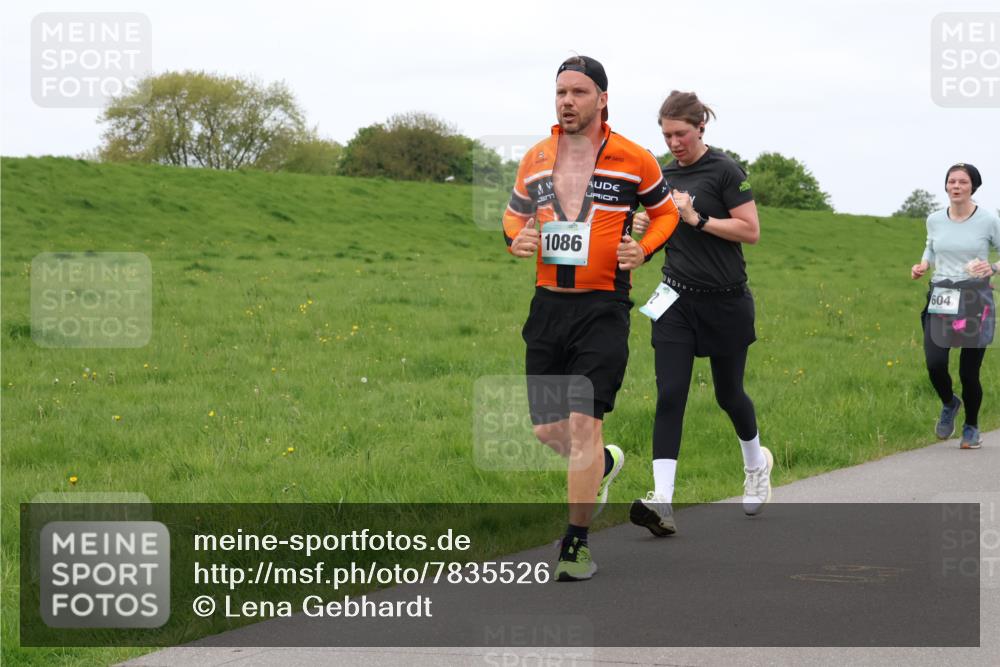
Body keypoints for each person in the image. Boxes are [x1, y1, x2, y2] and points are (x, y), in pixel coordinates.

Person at [502, 56, 680, 580]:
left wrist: (643, 249)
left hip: (603, 308)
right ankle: (602, 465)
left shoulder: (633, 158)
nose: (567, 101)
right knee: (548, 430)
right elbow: (513, 215)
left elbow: (666, 213)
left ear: (602, 99)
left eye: (578, 92)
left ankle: (575, 547)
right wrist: (516, 238)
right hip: (547, 307)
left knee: (584, 423)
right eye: (561, 92)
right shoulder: (536, 158)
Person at [629, 90, 769, 536]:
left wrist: (698, 219)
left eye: (681, 134)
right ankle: (663, 502)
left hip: (726, 301)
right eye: (667, 135)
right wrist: (643, 229)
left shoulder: (726, 170)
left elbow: (750, 231)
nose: (674, 143)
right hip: (675, 300)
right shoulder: (661, 176)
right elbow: (655, 240)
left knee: (730, 395)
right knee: (671, 394)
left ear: (700, 128)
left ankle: (756, 466)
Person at [911, 163, 1000, 450]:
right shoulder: (935, 219)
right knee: (935, 363)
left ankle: (971, 427)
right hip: (942, 294)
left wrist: (993, 267)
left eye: (962, 181)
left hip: (975, 298)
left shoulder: (988, 220)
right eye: (952, 181)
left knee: (968, 372)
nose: (956, 186)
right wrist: (924, 263)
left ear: (973, 187)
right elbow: (931, 245)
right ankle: (950, 402)